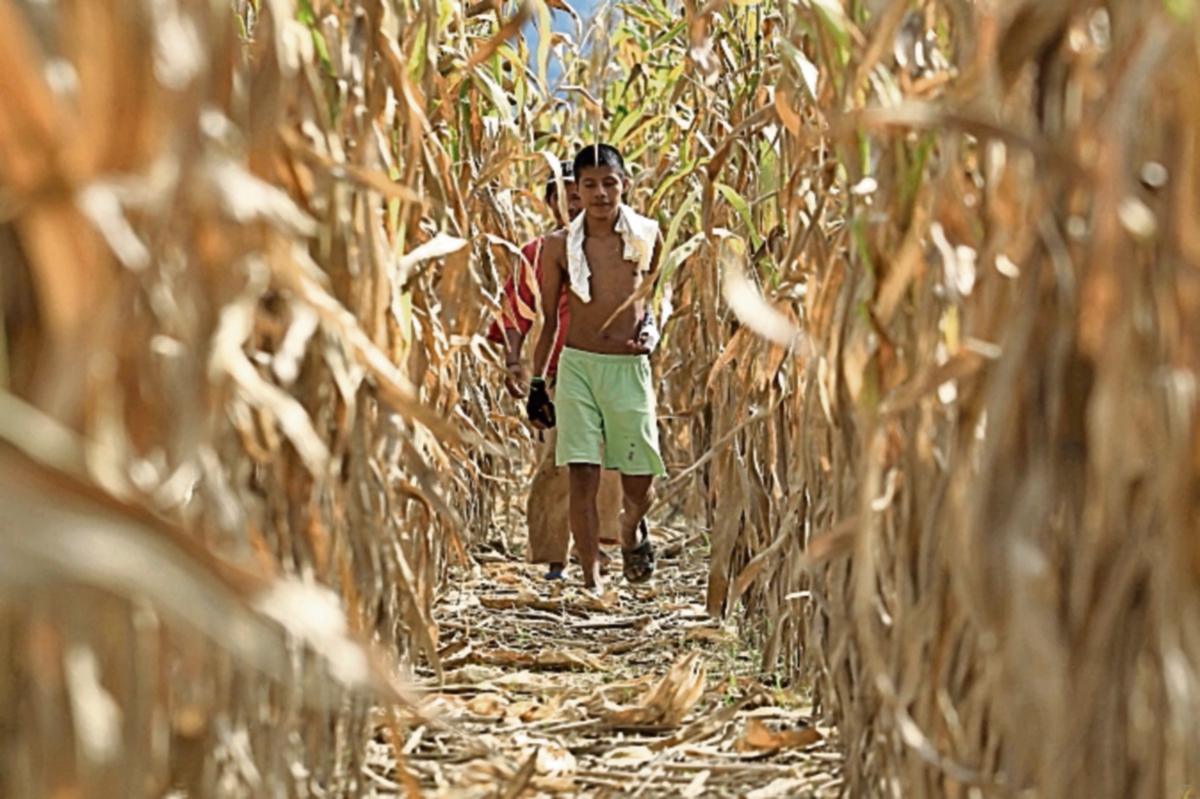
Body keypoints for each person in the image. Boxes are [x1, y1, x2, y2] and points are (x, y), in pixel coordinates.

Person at [528, 143, 666, 590]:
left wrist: (650, 332)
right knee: (582, 473)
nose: (601, 193)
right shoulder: (557, 246)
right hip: (578, 368)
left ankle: (630, 530)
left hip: (627, 368)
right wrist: (536, 384)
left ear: (624, 184)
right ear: (577, 191)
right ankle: (592, 580)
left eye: (609, 182)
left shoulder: (647, 235)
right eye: (589, 185)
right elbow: (549, 320)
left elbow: (650, 304)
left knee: (638, 483)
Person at [487, 162, 624, 579]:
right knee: (559, 460)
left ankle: (598, 547)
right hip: (559, 370)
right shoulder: (538, 252)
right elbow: (515, 311)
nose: (574, 203)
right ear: (550, 203)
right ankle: (552, 556)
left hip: (610, 366)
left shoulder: (619, 246)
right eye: (564, 196)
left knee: (610, 457)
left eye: (579, 193)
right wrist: (513, 361)